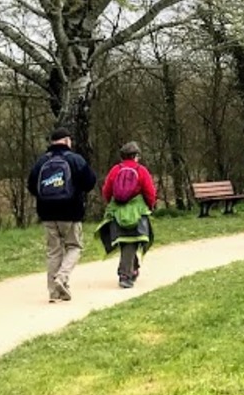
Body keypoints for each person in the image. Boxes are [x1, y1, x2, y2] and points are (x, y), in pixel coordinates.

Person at [26, 126, 98, 303]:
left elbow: (31, 186)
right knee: (74, 246)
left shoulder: (42, 161)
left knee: (53, 251)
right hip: (70, 212)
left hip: (47, 213)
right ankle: (62, 277)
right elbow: (90, 182)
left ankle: (53, 293)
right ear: (66, 141)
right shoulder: (75, 159)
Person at [97, 141, 157, 289]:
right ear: (135, 156)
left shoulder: (115, 170)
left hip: (118, 211)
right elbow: (150, 191)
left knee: (125, 241)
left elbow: (106, 190)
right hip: (136, 211)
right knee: (132, 241)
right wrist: (150, 206)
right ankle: (125, 275)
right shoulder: (141, 170)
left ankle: (132, 268)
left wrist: (111, 205)